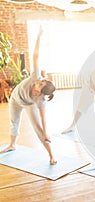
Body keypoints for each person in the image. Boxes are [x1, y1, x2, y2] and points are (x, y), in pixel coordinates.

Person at [0, 26, 57, 165]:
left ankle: (51, 155)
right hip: (15, 99)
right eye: (42, 81)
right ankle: (12, 144)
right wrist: (38, 35)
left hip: (28, 104)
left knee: (38, 130)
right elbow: (35, 56)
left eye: (41, 84)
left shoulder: (39, 100)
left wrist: (45, 132)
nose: (39, 81)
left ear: (40, 92)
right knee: (14, 122)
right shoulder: (35, 76)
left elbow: (43, 118)